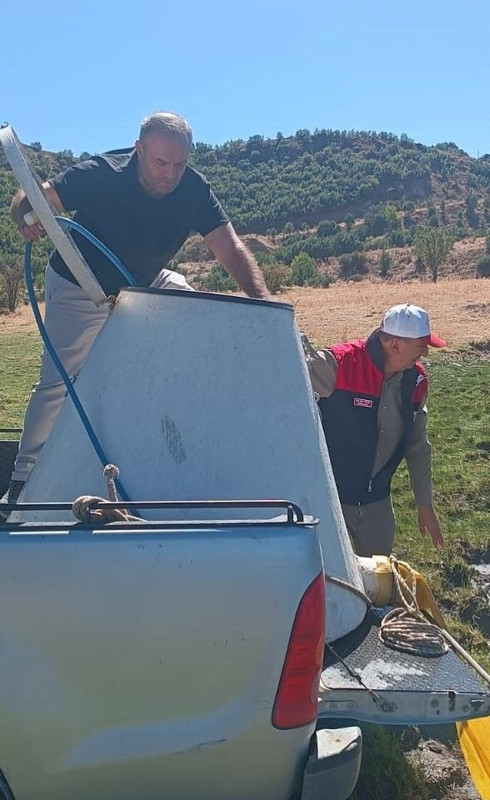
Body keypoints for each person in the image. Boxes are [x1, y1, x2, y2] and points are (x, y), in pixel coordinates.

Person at [1, 112, 269, 516]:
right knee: (60, 379)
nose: (170, 173)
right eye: (161, 162)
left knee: (192, 306)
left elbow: (229, 248)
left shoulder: (194, 190)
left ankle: (178, 440)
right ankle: (24, 480)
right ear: (139, 149)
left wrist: (265, 307)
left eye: (179, 164)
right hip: (78, 283)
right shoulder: (101, 172)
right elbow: (32, 200)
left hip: (141, 280)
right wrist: (26, 216)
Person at [303, 303, 445, 557]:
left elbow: (417, 446)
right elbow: (293, 371)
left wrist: (424, 504)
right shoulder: (341, 364)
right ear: (395, 345)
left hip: (378, 506)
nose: (424, 352)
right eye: (420, 345)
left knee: (380, 585)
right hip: (330, 503)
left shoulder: (416, 382)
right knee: (334, 585)